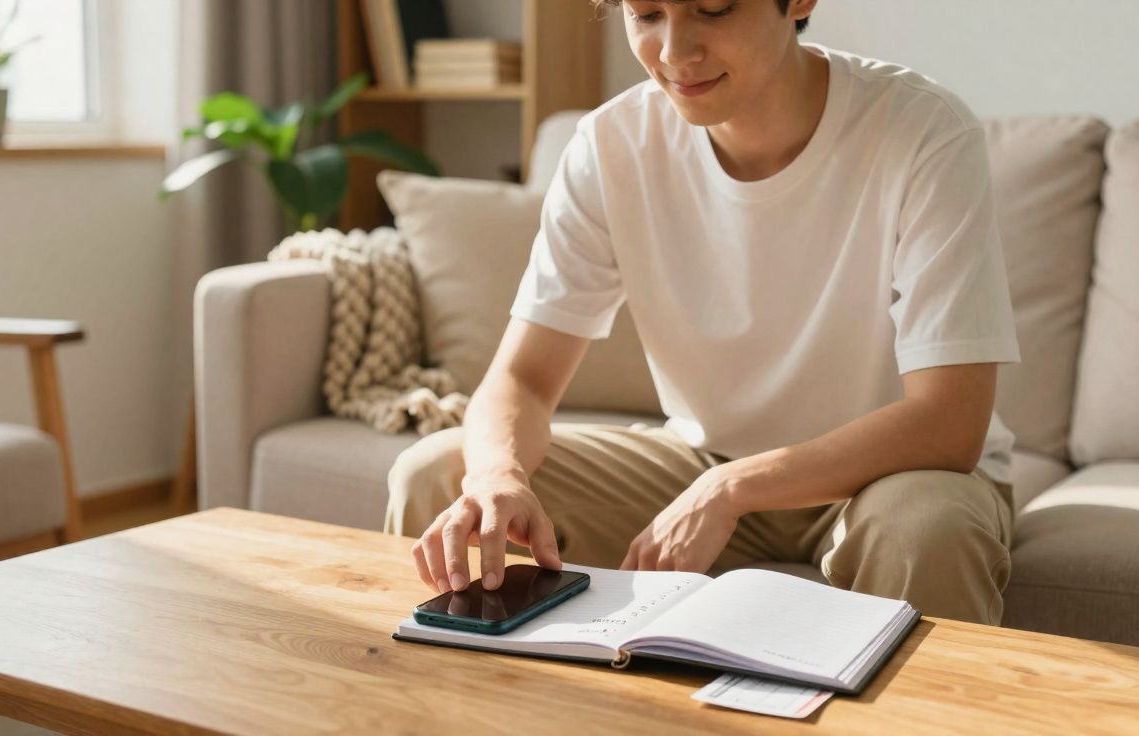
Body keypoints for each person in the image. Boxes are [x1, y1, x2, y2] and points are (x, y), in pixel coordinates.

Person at [385, 0, 1022, 626]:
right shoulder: (611, 145)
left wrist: (732, 490)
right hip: (701, 459)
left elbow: (949, 421)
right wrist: (498, 475)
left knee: (924, 528)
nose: (674, 52)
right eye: (647, 15)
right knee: (442, 478)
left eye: (713, 10)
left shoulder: (923, 131)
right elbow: (523, 378)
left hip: (896, 475)